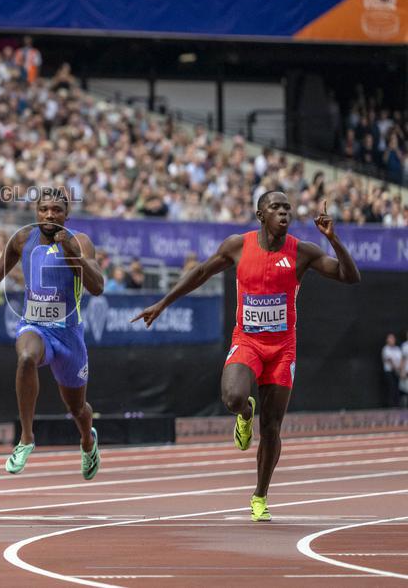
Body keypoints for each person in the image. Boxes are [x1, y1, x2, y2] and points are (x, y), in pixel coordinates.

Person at [133, 195, 360, 522]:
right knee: (233, 396)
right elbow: (200, 272)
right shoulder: (238, 246)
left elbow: (349, 276)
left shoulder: (302, 252)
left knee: (271, 428)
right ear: (259, 215)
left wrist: (333, 240)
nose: (284, 213)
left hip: (282, 348)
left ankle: (260, 495)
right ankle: (244, 413)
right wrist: (162, 303)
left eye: (287, 209)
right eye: (276, 208)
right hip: (248, 341)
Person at [0, 188, 104, 478]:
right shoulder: (24, 237)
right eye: (44, 209)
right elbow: (8, 254)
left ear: (67, 214)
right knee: (26, 358)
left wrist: (75, 256)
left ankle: (87, 439)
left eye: (56, 210)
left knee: (78, 408)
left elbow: (98, 287)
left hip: (69, 335)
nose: (49, 215)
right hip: (35, 325)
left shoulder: (80, 242)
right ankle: (26, 437)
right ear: (36, 211)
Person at [382, 333, 404, 408]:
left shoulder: (397, 349)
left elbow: (402, 359)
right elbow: (390, 360)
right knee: (391, 387)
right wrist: (396, 369)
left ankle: (397, 405)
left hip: (397, 371)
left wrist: (400, 369)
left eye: (392, 338)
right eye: (389, 338)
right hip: (389, 372)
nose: (391, 340)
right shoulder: (386, 349)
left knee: (397, 388)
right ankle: (391, 406)